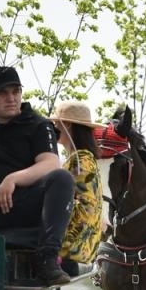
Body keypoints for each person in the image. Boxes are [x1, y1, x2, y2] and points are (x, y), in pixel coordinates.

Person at [0, 65, 74, 286]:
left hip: (23, 200)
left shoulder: (38, 124)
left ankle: (47, 258)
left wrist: (13, 179)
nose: (11, 98)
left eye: (16, 91)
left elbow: (50, 163)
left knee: (62, 178)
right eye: (3, 93)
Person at [50, 99, 103, 273]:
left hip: (70, 254)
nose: (54, 127)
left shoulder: (80, 160)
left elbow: (85, 209)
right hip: (78, 251)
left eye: (56, 123)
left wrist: (60, 246)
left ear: (67, 125)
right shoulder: (83, 158)